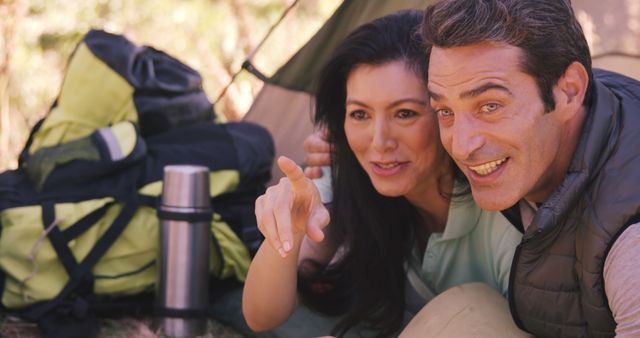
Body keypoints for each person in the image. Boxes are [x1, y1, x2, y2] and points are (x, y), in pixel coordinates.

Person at [243, 10, 525, 338]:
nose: (379, 142)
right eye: (360, 114)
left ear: (445, 115)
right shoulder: (349, 179)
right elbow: (261, 316)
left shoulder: (503, 212)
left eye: (404, 113)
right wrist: (286, 234)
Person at [415, 0, 640, 336]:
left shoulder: (631, 248)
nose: (461, 146)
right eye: (444, 111)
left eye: (490, 106)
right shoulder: (582, 105)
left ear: (569, 91)